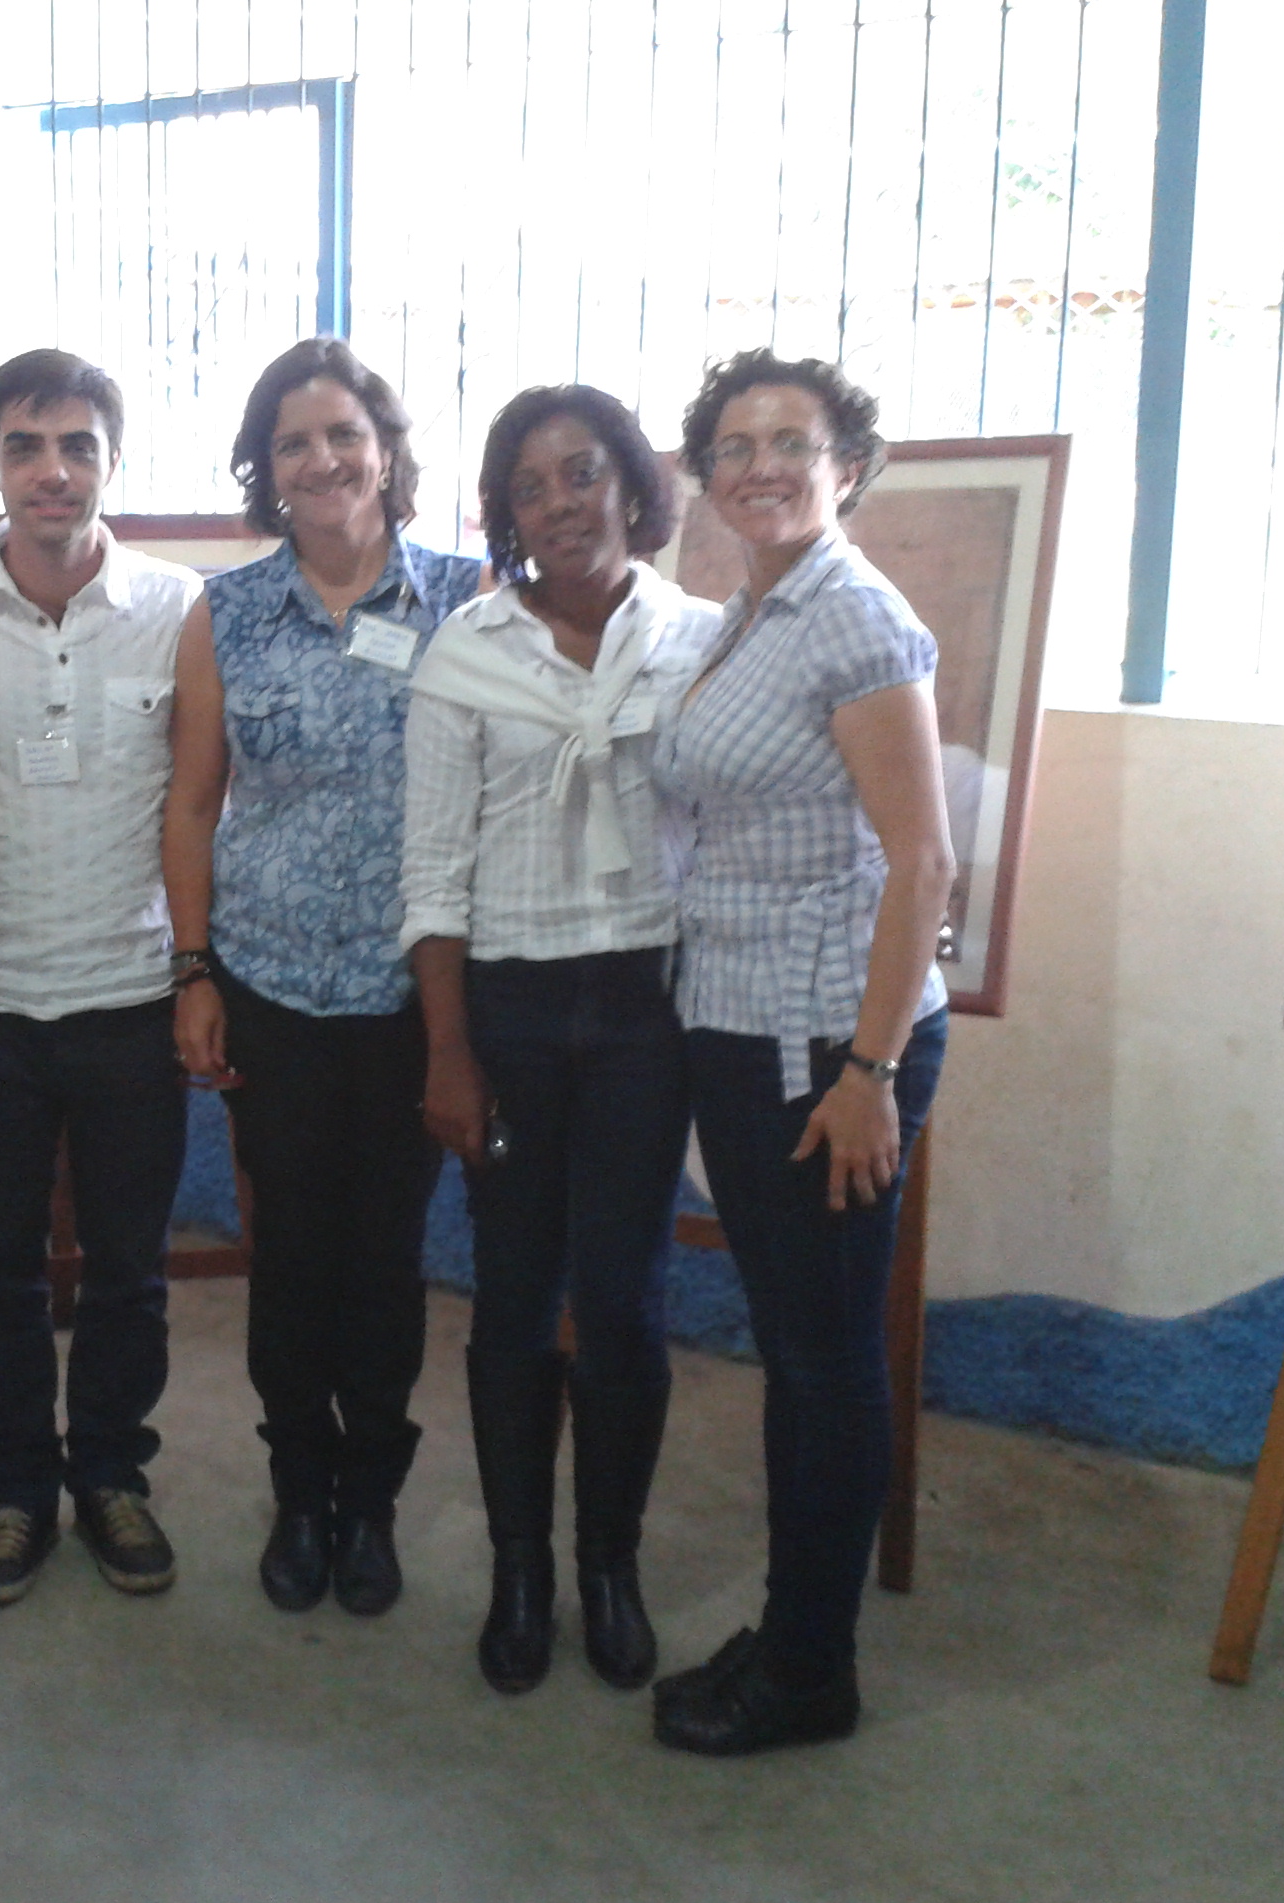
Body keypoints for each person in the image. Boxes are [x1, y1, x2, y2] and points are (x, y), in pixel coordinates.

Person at [649, 347, 953, 1756]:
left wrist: (870, 1072)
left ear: (848, 465)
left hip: (825, 1041)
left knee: (824, 1360)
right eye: (735, 442)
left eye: (793, 440)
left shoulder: (851, 619)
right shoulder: (753, 613)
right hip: (747, 1019)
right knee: (800, 1347)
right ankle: (793, 1628)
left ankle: (810, 1671)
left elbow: (923, 863)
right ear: (705, 474)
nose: (762, 463)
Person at [401, 385, 722, 1696]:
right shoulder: (465, 653)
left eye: (581, 473)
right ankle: (522, 1569)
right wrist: (448, 1051)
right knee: (517, 1295)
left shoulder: (700, 639)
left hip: (650, 1007)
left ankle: (611, 1565)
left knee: (627, 1295)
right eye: (529, 486)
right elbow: (433, 871)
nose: (560, 503)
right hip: (515, 1011)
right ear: (506, 513)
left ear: (630, 483)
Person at [162, 338, 481, 1617]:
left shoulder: (464, 599)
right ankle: (300, 1491)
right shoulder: (225, 612)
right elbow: (192, 806)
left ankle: (372, 1502)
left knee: (386, 1260)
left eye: (344, 434)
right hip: (274, 989)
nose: (322, 458)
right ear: (265, 470)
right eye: (293, 442)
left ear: (388, 453)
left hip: (419, 999)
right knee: (290, 1254)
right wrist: (193, 970)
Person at [0, 349, 203, 1607]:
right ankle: (18, 1487)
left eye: (78, 444)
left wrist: (194, 969)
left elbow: (198, 800)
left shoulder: (182, 608)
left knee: (132, 1268)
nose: (53, 469)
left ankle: (110, 1477)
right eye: (26, 444)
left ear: (111, 459)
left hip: (131, 991)